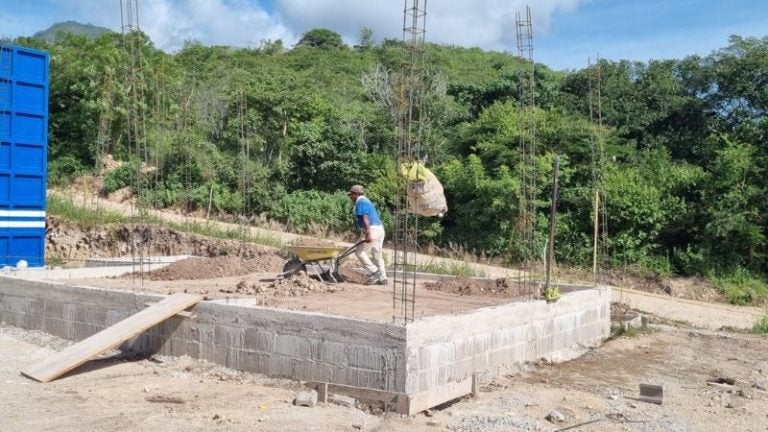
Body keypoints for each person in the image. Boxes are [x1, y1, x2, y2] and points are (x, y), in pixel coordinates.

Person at [347, 185, 387, 285]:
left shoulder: (361, 201)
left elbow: (365, 218)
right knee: (377, 254)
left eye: (351, 195)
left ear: (356, 194)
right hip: (379, 228)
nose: (350, 197)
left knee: (359, 252)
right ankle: (383, 278)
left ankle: (375, 272)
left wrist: (368, 233)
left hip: (372, 229)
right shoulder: (366, 201)